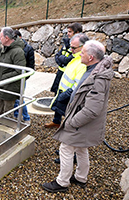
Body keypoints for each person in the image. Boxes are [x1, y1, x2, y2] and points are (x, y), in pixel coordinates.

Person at [42, 40, 114, 193]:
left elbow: (92, 110)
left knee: (66, 148)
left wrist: (72, 122)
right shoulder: (93, 68)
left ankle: (62, 183)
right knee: (81, 148)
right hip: (81, 120)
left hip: (81, 121)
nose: (80, 54)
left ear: (91, 57)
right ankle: (81, 177)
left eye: (83, 52)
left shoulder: (98, 78)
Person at [44, 33, 89, 129]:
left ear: (84, 46)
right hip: (64, 94)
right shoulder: (75, 57)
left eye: (73, 48)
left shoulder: (82, 62)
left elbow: (77, 87)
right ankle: (59, 124)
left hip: (69, 98)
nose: (71, 50)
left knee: (71, 119)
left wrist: (63, 96)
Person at [0, 27, 26, 115]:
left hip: (9, 88)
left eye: (1, 37)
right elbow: (6, 63)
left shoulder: (18, 52)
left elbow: (19, 71)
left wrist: (3, 77)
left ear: (6, 38)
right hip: (1, 86)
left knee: (7, 113)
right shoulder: (5, 48)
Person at [50, 23, 82, 94]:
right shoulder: (67, 43)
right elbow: (57, 56)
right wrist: (62, 59)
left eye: (70, 32)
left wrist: (62, 59)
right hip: (60, 74)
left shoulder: (79, 46)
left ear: (77, 33)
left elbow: (66, 60)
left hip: (69, 77)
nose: (68, 34)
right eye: (67, 32)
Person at [13, 29, 35, 124]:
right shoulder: (11, 47)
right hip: (12, 77)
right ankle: (16, 115)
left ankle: (26, 118)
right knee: (13, 97)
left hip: (21, 77)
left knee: (19, 98)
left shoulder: (28, 48)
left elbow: (31, 65)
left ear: (20, 37)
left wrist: (25, 77)